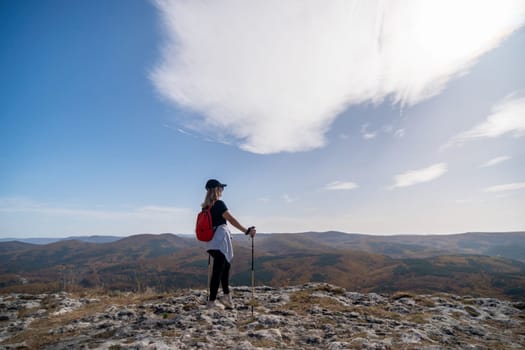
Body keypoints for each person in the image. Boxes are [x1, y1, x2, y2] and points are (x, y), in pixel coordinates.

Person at [202, 179, 256, 310]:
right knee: (219, 270)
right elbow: (231, 219)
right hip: (219, 242)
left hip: (210, 242)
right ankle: (212, 302)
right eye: (221, 188)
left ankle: (226, 296)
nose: (222, 190)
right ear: (216, 189)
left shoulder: (205, 206)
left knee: (225, 267)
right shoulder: (219, 204)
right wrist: (247, 231)